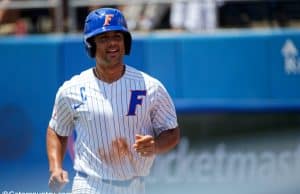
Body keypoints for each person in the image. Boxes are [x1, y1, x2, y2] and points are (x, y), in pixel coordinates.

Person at [46, 7, 180, 194]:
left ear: (126, 42)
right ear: (91, 44)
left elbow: (171, 132)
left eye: (117, 36)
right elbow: (56, 130)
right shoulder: (72, 89)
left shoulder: (150, 86)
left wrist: (155, 145)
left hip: (135, 186)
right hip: (88, 184)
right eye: (103, 38)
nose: (112, 44)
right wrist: (56, 167)